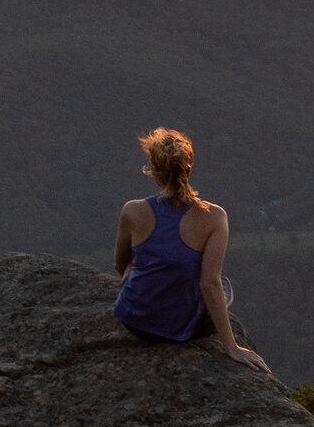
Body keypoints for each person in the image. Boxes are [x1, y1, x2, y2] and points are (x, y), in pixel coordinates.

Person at [112, 125, 268, 369]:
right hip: (180, 328)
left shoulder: (132, 210)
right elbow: (209, 283)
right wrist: (231, 346)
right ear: (189, 167)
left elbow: (120, 263)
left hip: (134, 321)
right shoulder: (215, 217)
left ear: (154, 171)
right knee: (221, 288)